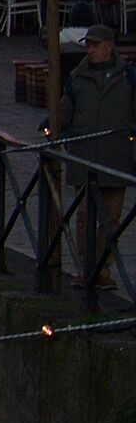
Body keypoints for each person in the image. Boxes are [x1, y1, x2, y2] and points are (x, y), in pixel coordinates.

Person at [64, 23, 135, 283]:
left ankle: (103, 269)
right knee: (84, 216)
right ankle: (86, 268)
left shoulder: (128, 77)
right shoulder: (76, 78)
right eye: (88, 45)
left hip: (117, 157)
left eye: (95, 45)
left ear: (109, 47)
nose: (90, 50)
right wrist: (55, 126)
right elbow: (65, 111)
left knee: (111, 219)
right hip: (85, 157)